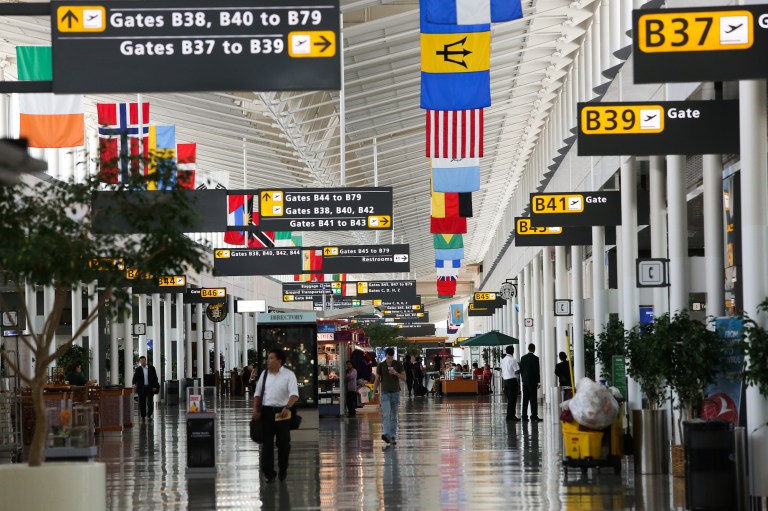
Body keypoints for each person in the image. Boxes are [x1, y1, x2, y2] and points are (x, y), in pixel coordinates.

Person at [252, 349, 299, 483]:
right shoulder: (264, 375)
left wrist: (287, 407)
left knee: (283, 444)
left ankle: (283, 469)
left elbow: (294, 395)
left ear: (279, 361)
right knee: (267, 444)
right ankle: (269, 473)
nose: (268, 360)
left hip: (282, 413)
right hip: (267, 412)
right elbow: (258, 394)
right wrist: (255, 410)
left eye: (271, 358)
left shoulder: (289, 375)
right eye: (268, 358)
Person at [372, 347, 406, 445]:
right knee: (386, 415)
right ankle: (387, 435)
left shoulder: (398, 364)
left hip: (395, 393)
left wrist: (396, 373)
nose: (389, 360)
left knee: (394, 416)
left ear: (393, 356)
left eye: (391, 358)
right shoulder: (381, 365)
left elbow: (404, 378)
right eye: (388, 358)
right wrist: (374, 392)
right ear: (385, 356)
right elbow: (377, 379)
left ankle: (392, 436)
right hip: (385, 393)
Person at [132, 356, 159, 422]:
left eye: (143, 361)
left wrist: (155, 386)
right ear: (140, 362)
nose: (142, 362)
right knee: (142, 402)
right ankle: (143, 416)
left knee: (150, 402)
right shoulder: (138, 369)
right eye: (141, 361)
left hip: (150, 388)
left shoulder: (151, 368)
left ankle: (149, 415)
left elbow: (155, 378)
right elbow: (134, 378)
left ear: (145, 361)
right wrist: (134, 384)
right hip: (142, 388)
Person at [519, 343, 542, 422]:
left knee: (525, 399)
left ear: (528, 348)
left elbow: (521, 370)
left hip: (525, 381)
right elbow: (536, 371)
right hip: (532, 382)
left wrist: (523, 379)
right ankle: (534, 416)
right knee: (533, 399)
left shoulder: (523, 358)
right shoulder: (535, 358)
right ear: (534, 349)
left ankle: (524, 416)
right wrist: (538, 381)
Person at [501, 346, 521, 422]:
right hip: (512, 381)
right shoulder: (513, 360)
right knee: (513, 399)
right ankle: (510, 416)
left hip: (505, 381)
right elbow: (517, 371)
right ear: (513, 351)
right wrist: (520, 370)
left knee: (509, 399)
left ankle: (510, 415)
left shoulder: (503, 360)